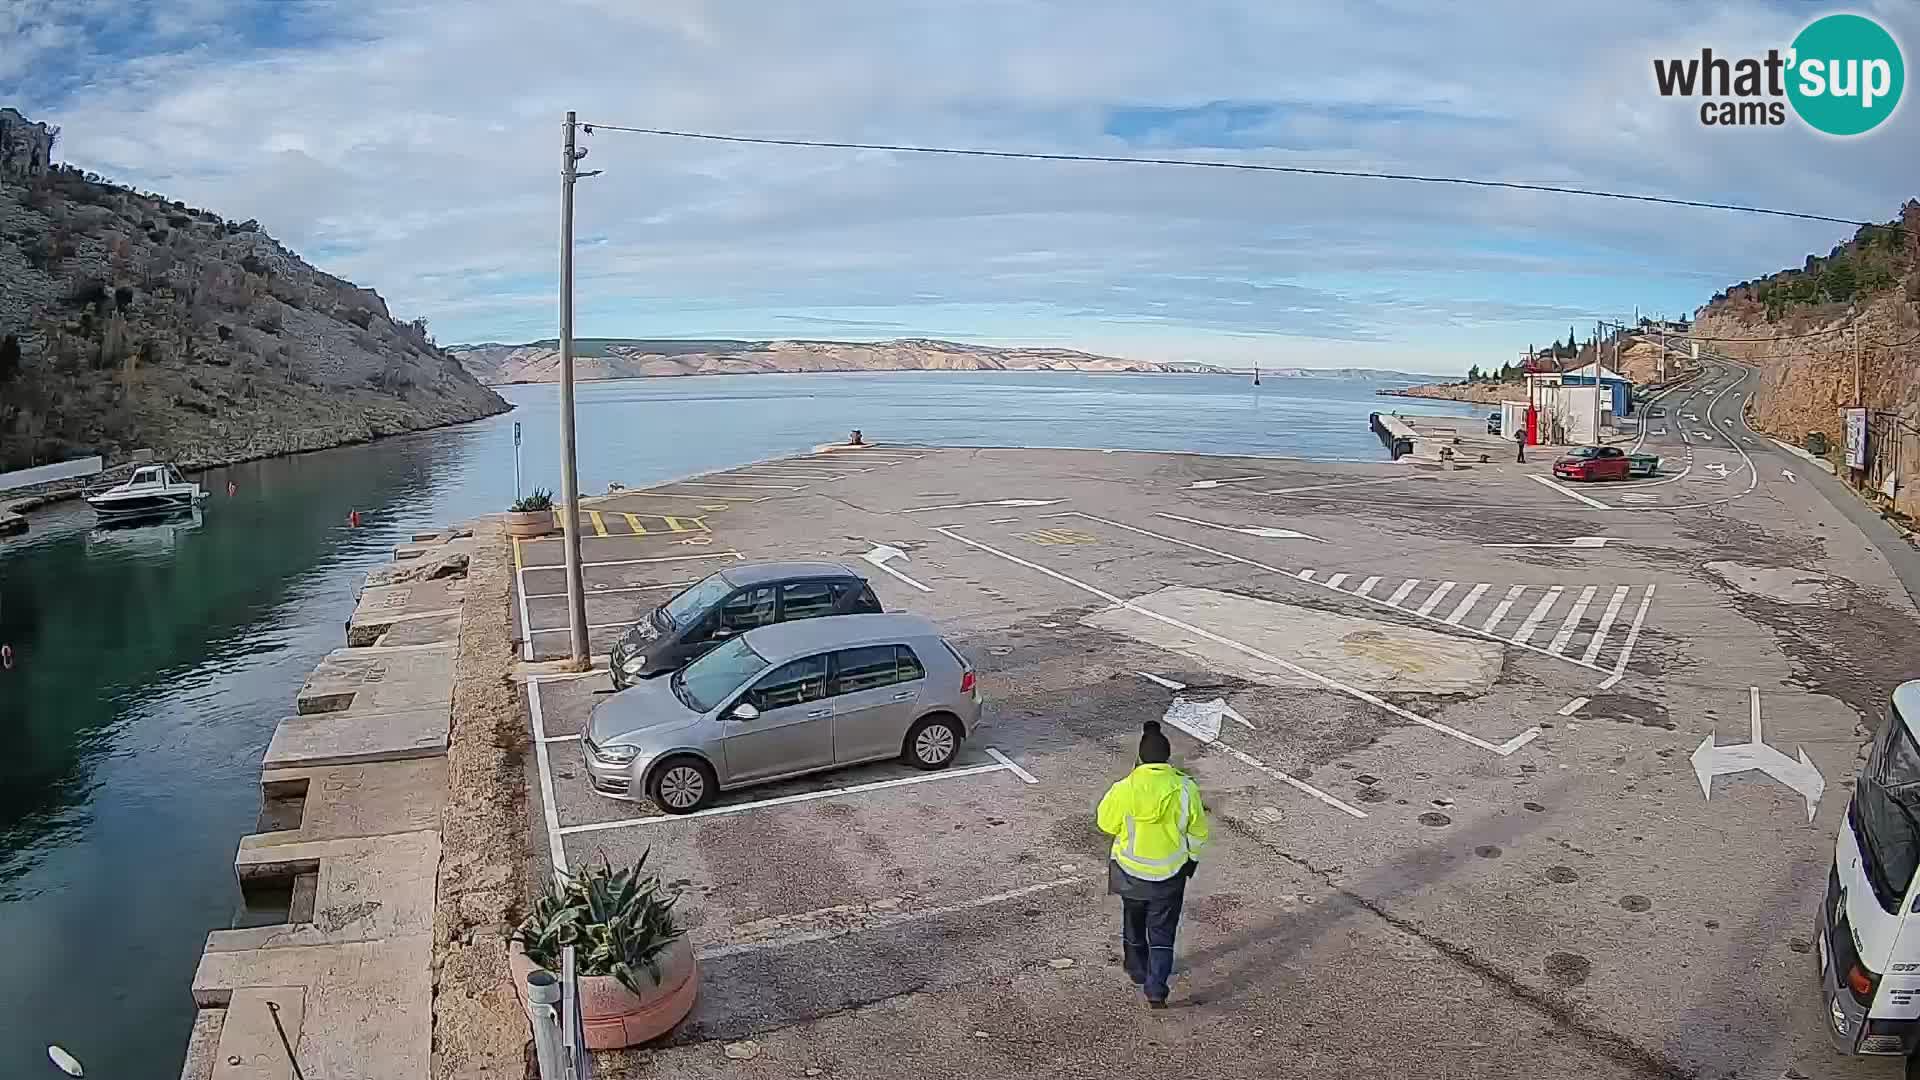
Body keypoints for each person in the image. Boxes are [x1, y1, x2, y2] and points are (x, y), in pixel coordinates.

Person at [1097, 720, 1210, 1008]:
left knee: (1133, 921)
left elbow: (1106, 823)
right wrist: (1191, 861)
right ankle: (1156, 988)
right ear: (1166, 758)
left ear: (1141, 758)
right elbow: (1197, 831)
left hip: (1130, 872)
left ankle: (1136, 968)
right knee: (1162, 933)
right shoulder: (1185, 788)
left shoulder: (1124, 789)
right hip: (1170, 875)